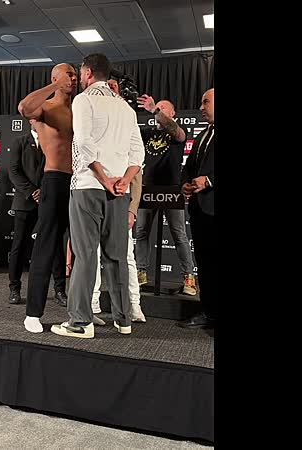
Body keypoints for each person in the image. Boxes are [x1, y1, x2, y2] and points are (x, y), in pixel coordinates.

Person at [51, 53, 144, 339]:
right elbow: (138, 153)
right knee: (117, 256)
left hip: (88, 187)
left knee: (85, 255)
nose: (79, 78)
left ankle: (81, 322)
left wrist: (104, 179)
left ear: (89, 73)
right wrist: (123, 181)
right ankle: (123, 320)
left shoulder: (84, 100)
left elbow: (83, 143)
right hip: (119, 192)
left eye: (81, 72)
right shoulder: (125, 107)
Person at [17, 63, 77, 333]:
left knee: (83, 250)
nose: (73, 78)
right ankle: (33, 314)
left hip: (80, 183)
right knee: (45, 246)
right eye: (68, 74)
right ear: (55, 77)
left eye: (75, 74)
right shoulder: (47, 108)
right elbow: (24, 108)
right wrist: (55, 86)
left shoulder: (80, 109)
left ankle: (82, 311)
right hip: (54, 180)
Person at [89, 78, 146, 324]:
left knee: (126, 256)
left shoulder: (126, 118)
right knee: (92, 255)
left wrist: (132, 210)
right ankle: (92, 305)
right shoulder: (91, 120)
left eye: (113, 86)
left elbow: (137, 171)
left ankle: (133, 305)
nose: (108, 90)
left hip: (120, 200)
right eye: (106, 86)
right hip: (93, 195)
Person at [134, 95, 197, 295]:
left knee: (179, 234)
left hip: (171, 189)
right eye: (157, 108)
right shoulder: (148, 133)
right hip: (148, 188)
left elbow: (177, 133)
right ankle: (140, 272)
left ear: (172, 113)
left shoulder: (178, 132)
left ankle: (189, 278)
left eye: (163, 108)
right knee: (141, 232)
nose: (158, 110)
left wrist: (154, 110)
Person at [7, 119, 67, 306]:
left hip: (49, 201)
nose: (39, 120)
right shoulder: (19, 142)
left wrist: (45, 192)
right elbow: (14, 171)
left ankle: (60, 291)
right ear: (30, 120)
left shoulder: (54, 142)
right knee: (19, 246)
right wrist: (32, 192)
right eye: (36, 117)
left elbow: (58, 170)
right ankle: (14, 288)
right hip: (25, 202)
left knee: (55, 246)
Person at [178, 88, 215, 329]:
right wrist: (185, 183)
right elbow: (189, 166)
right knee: (205, 264)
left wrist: (209, 180)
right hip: (201, 211)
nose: (201, 107)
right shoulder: (203, 134)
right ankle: (209, 312)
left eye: (206, 102)